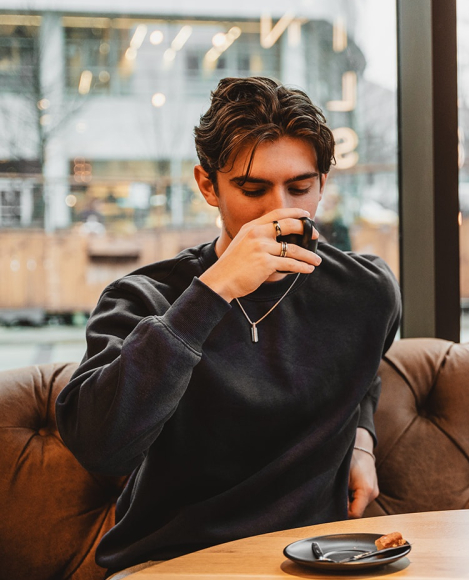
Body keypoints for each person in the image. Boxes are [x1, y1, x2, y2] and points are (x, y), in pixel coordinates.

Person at [55, 77, 401, 576]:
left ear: (323, 183)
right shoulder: (143, 298)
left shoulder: (365, 291)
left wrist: (361, 442)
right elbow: (101, 445)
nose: (279, 210)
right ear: (207, 185)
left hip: (312, 561)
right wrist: (211, 292)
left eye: (300, 187)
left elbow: (364, 364)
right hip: (169, 562)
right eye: (252, 188)